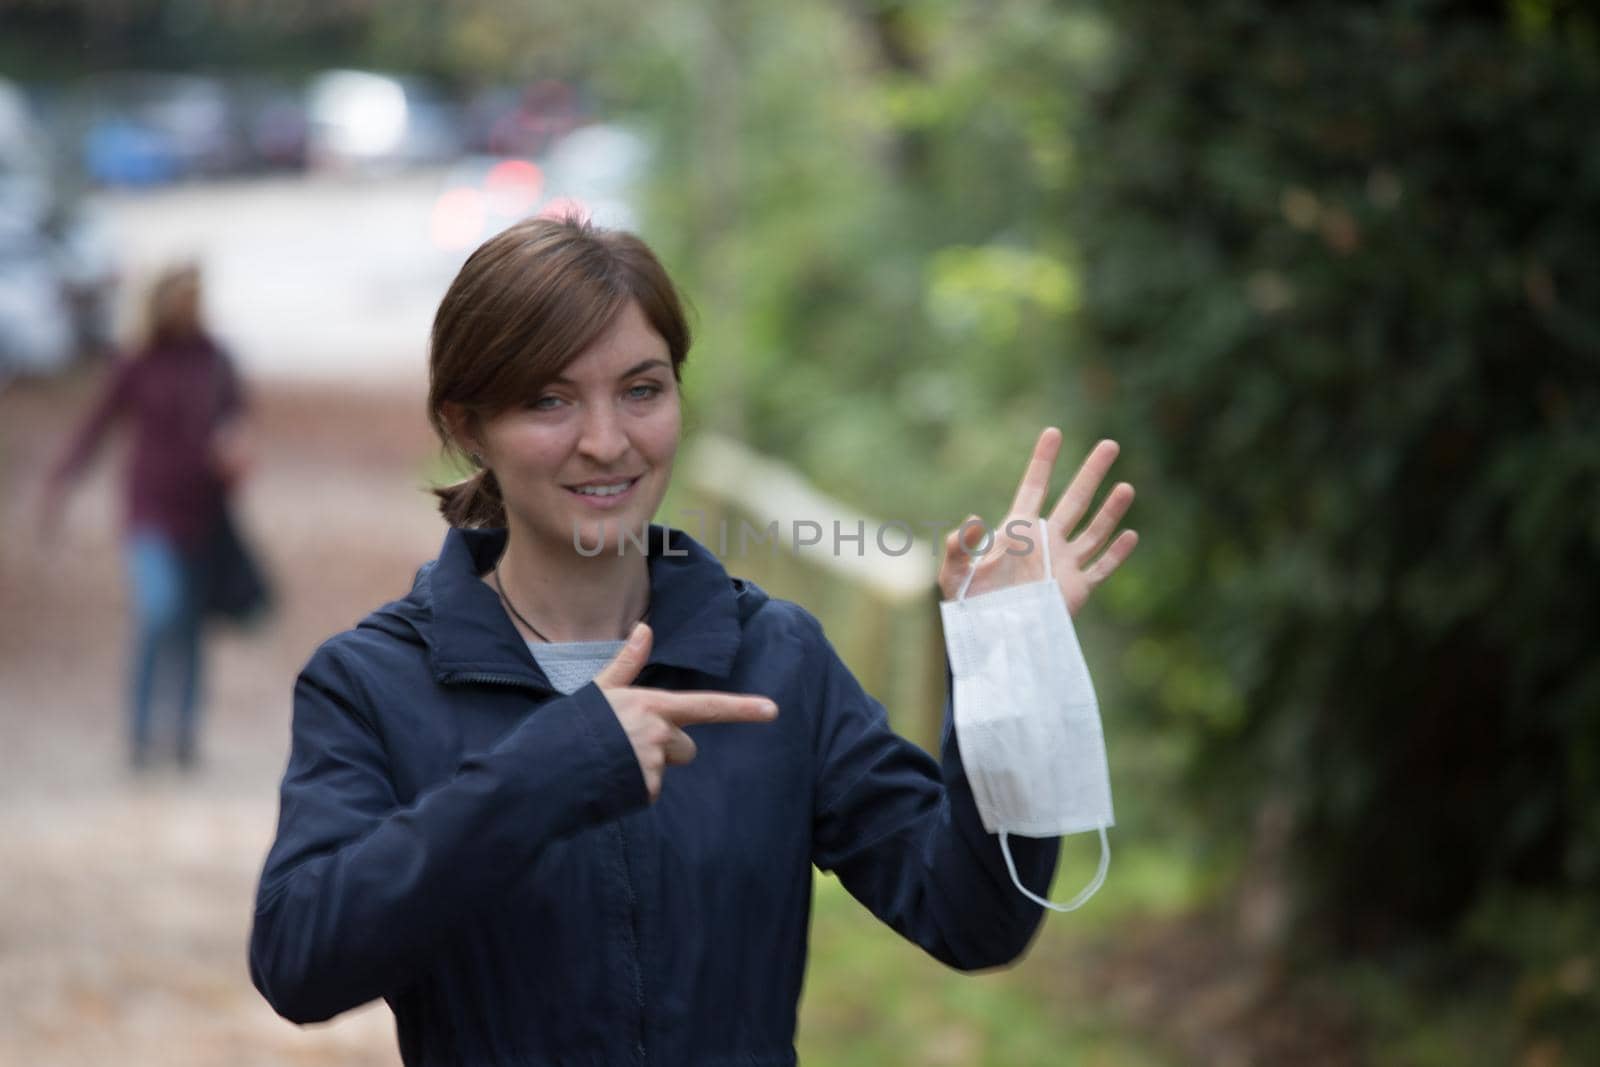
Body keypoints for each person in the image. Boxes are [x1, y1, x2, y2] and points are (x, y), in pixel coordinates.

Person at [248, 217, 1137, 1065]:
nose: (606, 441)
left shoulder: (776, 657)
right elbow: (300, 959)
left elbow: (974, 917)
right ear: (466, 426)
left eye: (642, 389)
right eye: (548, 399)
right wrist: (557, 763)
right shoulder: (371, 683)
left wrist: (1009, 662)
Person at [41, 263, 252, 770]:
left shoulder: (215, 359)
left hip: (203, 510)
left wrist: (235, 453)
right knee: (160, 610)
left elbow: (237, 420)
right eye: (184, 299)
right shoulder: (137, 362)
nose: (192, 308)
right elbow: (96, 425)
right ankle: (139, 730)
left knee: (193, 624)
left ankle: (182, 734)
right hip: (149, 512)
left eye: (197, 299)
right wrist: (63, 481)